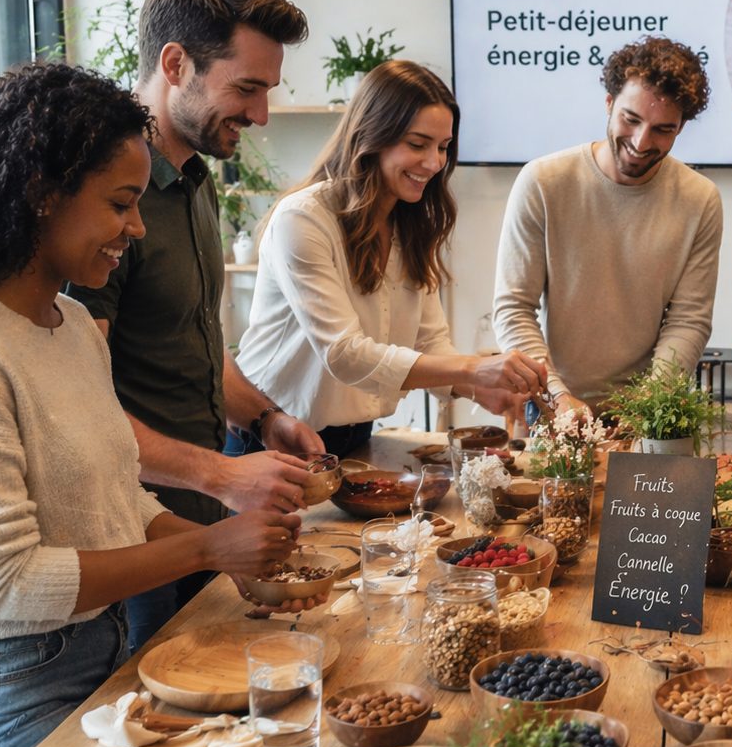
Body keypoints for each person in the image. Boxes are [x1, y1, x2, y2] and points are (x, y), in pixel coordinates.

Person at [0, 63, 299, 747]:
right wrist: (206, 546)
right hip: (15, 685)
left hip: (107, 643)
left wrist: (227, 559)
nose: (137, 226)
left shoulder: (74, 331)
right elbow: (6, 584)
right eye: (121, 204)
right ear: (41, 196)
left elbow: (121, 497)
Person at [66, 0, 318, 648]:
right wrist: (220, 473)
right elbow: (78, 404)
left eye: (267, 91)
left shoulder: (197, 179)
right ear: (175, 64)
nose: (261, 114)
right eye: (247, 88)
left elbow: (196, 341)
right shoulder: (102, 208)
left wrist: (265, 418)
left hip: (207, 523)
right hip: (135, 538)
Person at [233, 60, 546, 455]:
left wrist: (481, 388)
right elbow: (344, 354)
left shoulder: (409, 224)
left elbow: (429, 343)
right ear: (372, 135)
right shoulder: (304, 218)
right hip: (269, 440)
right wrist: (474, 368)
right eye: (418, 144)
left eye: (443, 147)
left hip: (355, 439)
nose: (434, 163)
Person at [492, 36, 723, 414]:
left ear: (680, 128)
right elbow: (514, 309)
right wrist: (556, 395)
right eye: (630, 120)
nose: (641, 141)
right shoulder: (543, 182)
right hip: (553, 398)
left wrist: (648, 407)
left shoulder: (700, 199)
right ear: (609, 103)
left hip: (650, 406)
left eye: (663, 129)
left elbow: (688, 320)